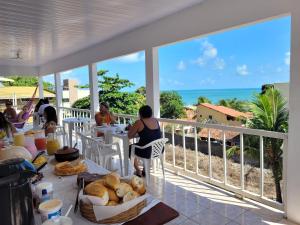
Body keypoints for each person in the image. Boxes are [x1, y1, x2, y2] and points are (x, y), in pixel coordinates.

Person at [127, 105, 162, 177]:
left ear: (141, 114)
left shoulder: (139, 122)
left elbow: (129, 136)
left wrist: (132, 128)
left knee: (130, 148)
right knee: (145, 144)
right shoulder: (155, 120)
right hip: (158, 149)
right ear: (151, 113)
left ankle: (138, 170)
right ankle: (144, 170)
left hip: (147, 151)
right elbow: (151, 134)